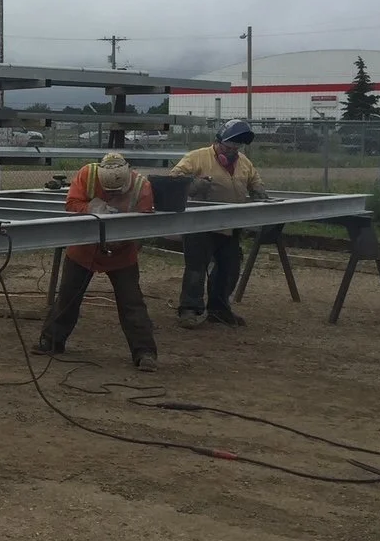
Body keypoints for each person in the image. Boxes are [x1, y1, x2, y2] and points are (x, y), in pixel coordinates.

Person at [34, 151, 158, 371]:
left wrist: (120, 241)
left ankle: (144, 352)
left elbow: (143, 225)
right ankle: (52, 340)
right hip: (85, 248)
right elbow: (71, 204)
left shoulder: (142, 187)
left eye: (116, 191)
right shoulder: (87, 175)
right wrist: (93, 208)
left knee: (132, 302)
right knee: (68, 297)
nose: (112, 194)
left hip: (122, 252)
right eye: (108, 191)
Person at [171, 118, 267, 328]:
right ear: (219, 141)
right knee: (196, 267)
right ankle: (189, 309)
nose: (232, 149)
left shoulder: (244, 162)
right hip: (200, 223)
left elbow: (254, 181)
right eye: (229, 144)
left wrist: (260, 192)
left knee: (230, 268)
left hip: (230, 225)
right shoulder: (196, 158)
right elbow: (173, 180)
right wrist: (194, 185)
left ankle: (219, 308)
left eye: (237, 145)